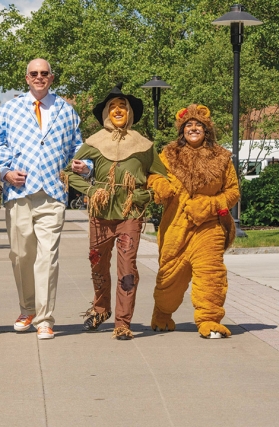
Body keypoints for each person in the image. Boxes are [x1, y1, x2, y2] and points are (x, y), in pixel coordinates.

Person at [0, 58, 90, 339]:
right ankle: (28, 307)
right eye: (34, 73)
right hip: (18, 192)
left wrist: (85, 165)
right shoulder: (10, 109)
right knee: (21, 255)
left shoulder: (66, 110)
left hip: (53, 193)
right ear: (26, 78)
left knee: (47, 257)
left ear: (52, 77)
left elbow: (77, 146)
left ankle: (45, 318)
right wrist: (6, 172)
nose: (39, 77)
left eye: (44, 73)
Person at [63, 83, 167, 340]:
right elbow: (67, 172)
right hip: (100, 215)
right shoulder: (94, 142)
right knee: (97, 266)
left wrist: (147, 194)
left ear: (130, 112)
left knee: (127, 270)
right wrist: (89, 191)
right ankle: (101, 310)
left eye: (123, 106)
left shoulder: (144, 145)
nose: (118, 110)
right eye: (113, 107)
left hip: (130, 216)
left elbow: (163, 178)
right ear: (106, 113)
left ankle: (123, 322)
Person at [147, 104, 240, 339]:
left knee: (211, 273)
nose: (194, 128)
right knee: (169, 278)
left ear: (207, 130)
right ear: (182, 131)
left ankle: (209, 320)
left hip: (209, 226)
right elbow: (154, 177)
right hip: (175, 227)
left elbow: (233, 192)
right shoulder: (168, 154)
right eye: (189, 125)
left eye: (199, 125)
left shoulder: (221, 157)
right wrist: (161, 187)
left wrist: (209, 205)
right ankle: (162, 313)